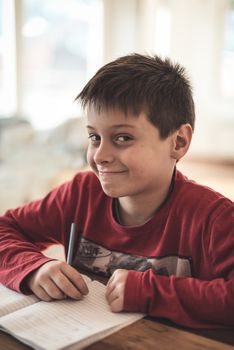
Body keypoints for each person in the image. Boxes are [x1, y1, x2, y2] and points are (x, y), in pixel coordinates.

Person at [0, 54, 233, 330]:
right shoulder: (79, 195)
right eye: (94, 137)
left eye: (123, 138)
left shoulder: (214, 219)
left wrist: (149, 292)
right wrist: (33, 268)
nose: (100, 156)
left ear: (178, 142)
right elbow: (5, 228)